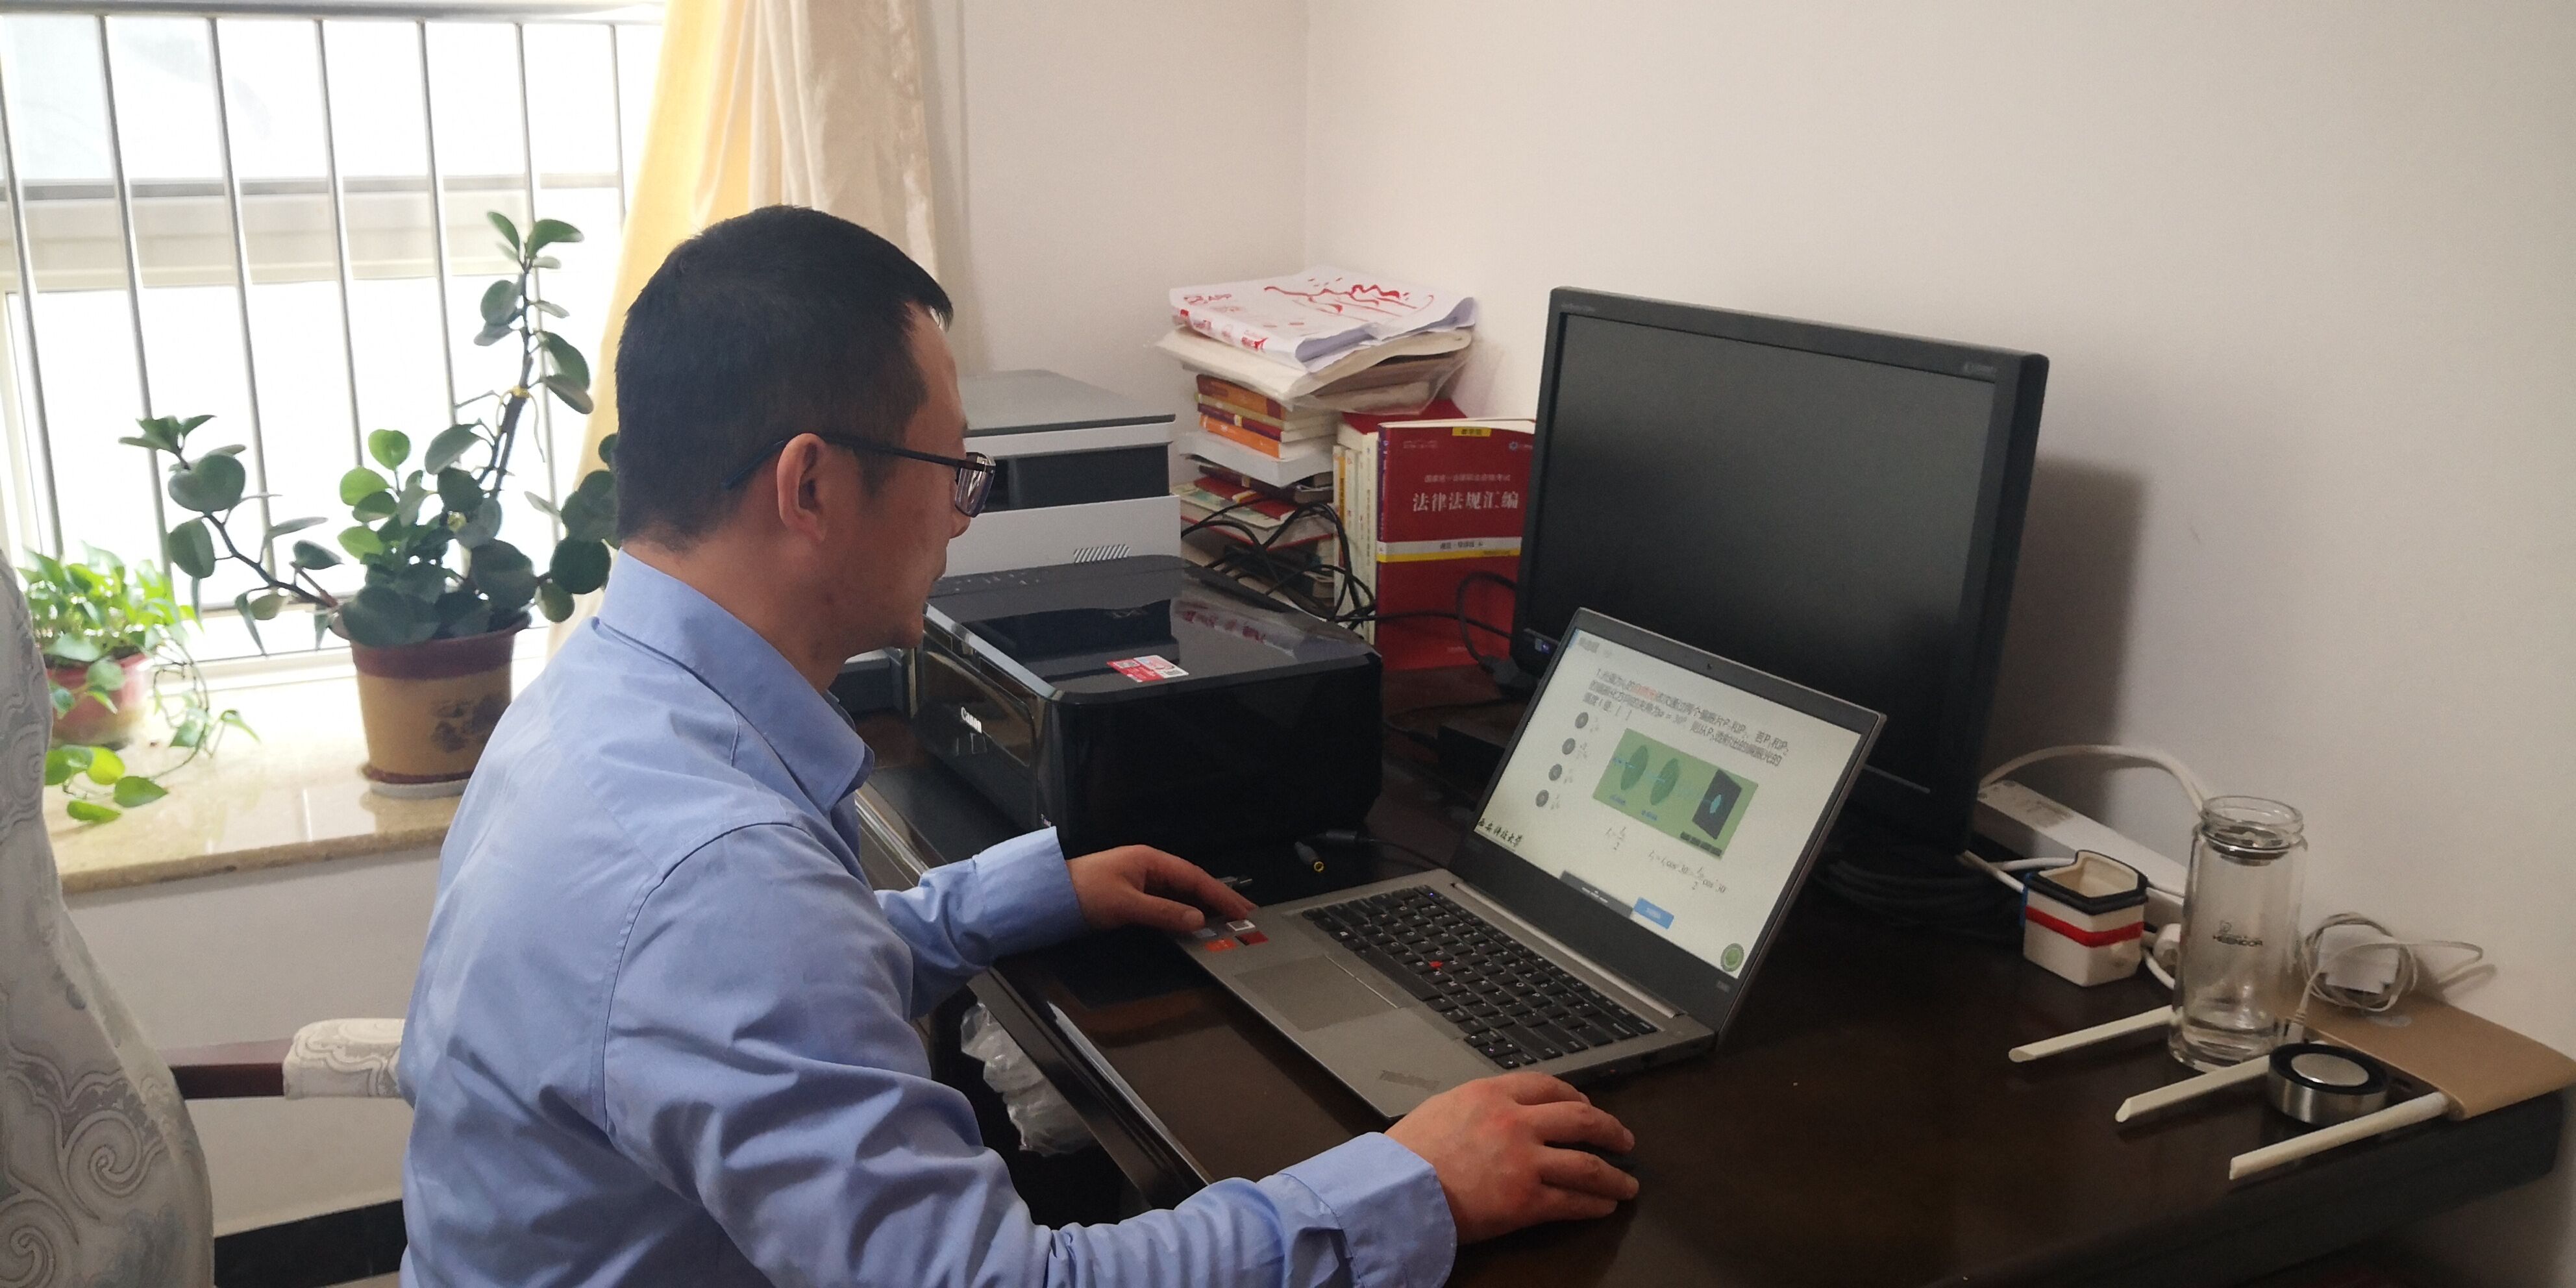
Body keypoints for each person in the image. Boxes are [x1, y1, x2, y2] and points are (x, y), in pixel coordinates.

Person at [396, 204, 1637, 1287]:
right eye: (951, 470)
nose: (960, 517)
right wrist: (1412, 1184)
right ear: (810, 488)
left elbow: (754, 997)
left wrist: (1012, 896)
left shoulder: (593, 703)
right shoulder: (715, 877)